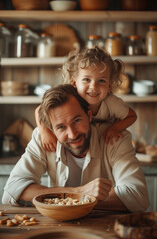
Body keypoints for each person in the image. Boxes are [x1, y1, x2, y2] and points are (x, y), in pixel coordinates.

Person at [2, 84, 149, 212]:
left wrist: (64, 200)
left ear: (89, 116)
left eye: (77, 120)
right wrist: (79, 193)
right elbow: (11, 192)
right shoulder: (42, 138)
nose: (72, 134)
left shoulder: (116, 138)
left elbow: (137, 196)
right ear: (51, 129)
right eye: (61, 127)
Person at [35, 46, 137, 152]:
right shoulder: (70, 100)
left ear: (109, 86)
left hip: (103, 144)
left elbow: (132, 116)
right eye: (86, 79)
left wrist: (115, 128)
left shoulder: (111, 103)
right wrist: (44, 132)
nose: (93, 86)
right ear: (74, 83)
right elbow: (39, 111)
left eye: (101, 81)